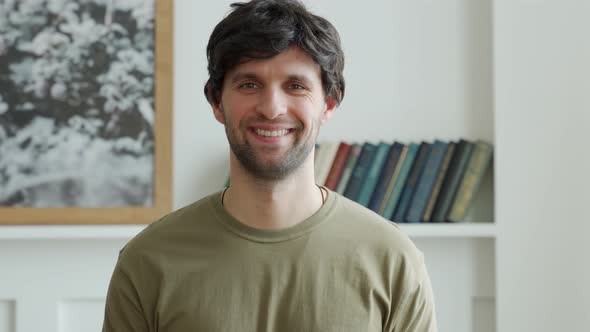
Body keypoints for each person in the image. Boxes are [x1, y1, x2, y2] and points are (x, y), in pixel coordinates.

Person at [102, 0, 437, 331]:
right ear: (217, 101)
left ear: (329, 103)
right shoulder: (147, 260)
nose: (272, 108)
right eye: (249, 84)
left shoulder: (392, 260)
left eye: (295, 86)